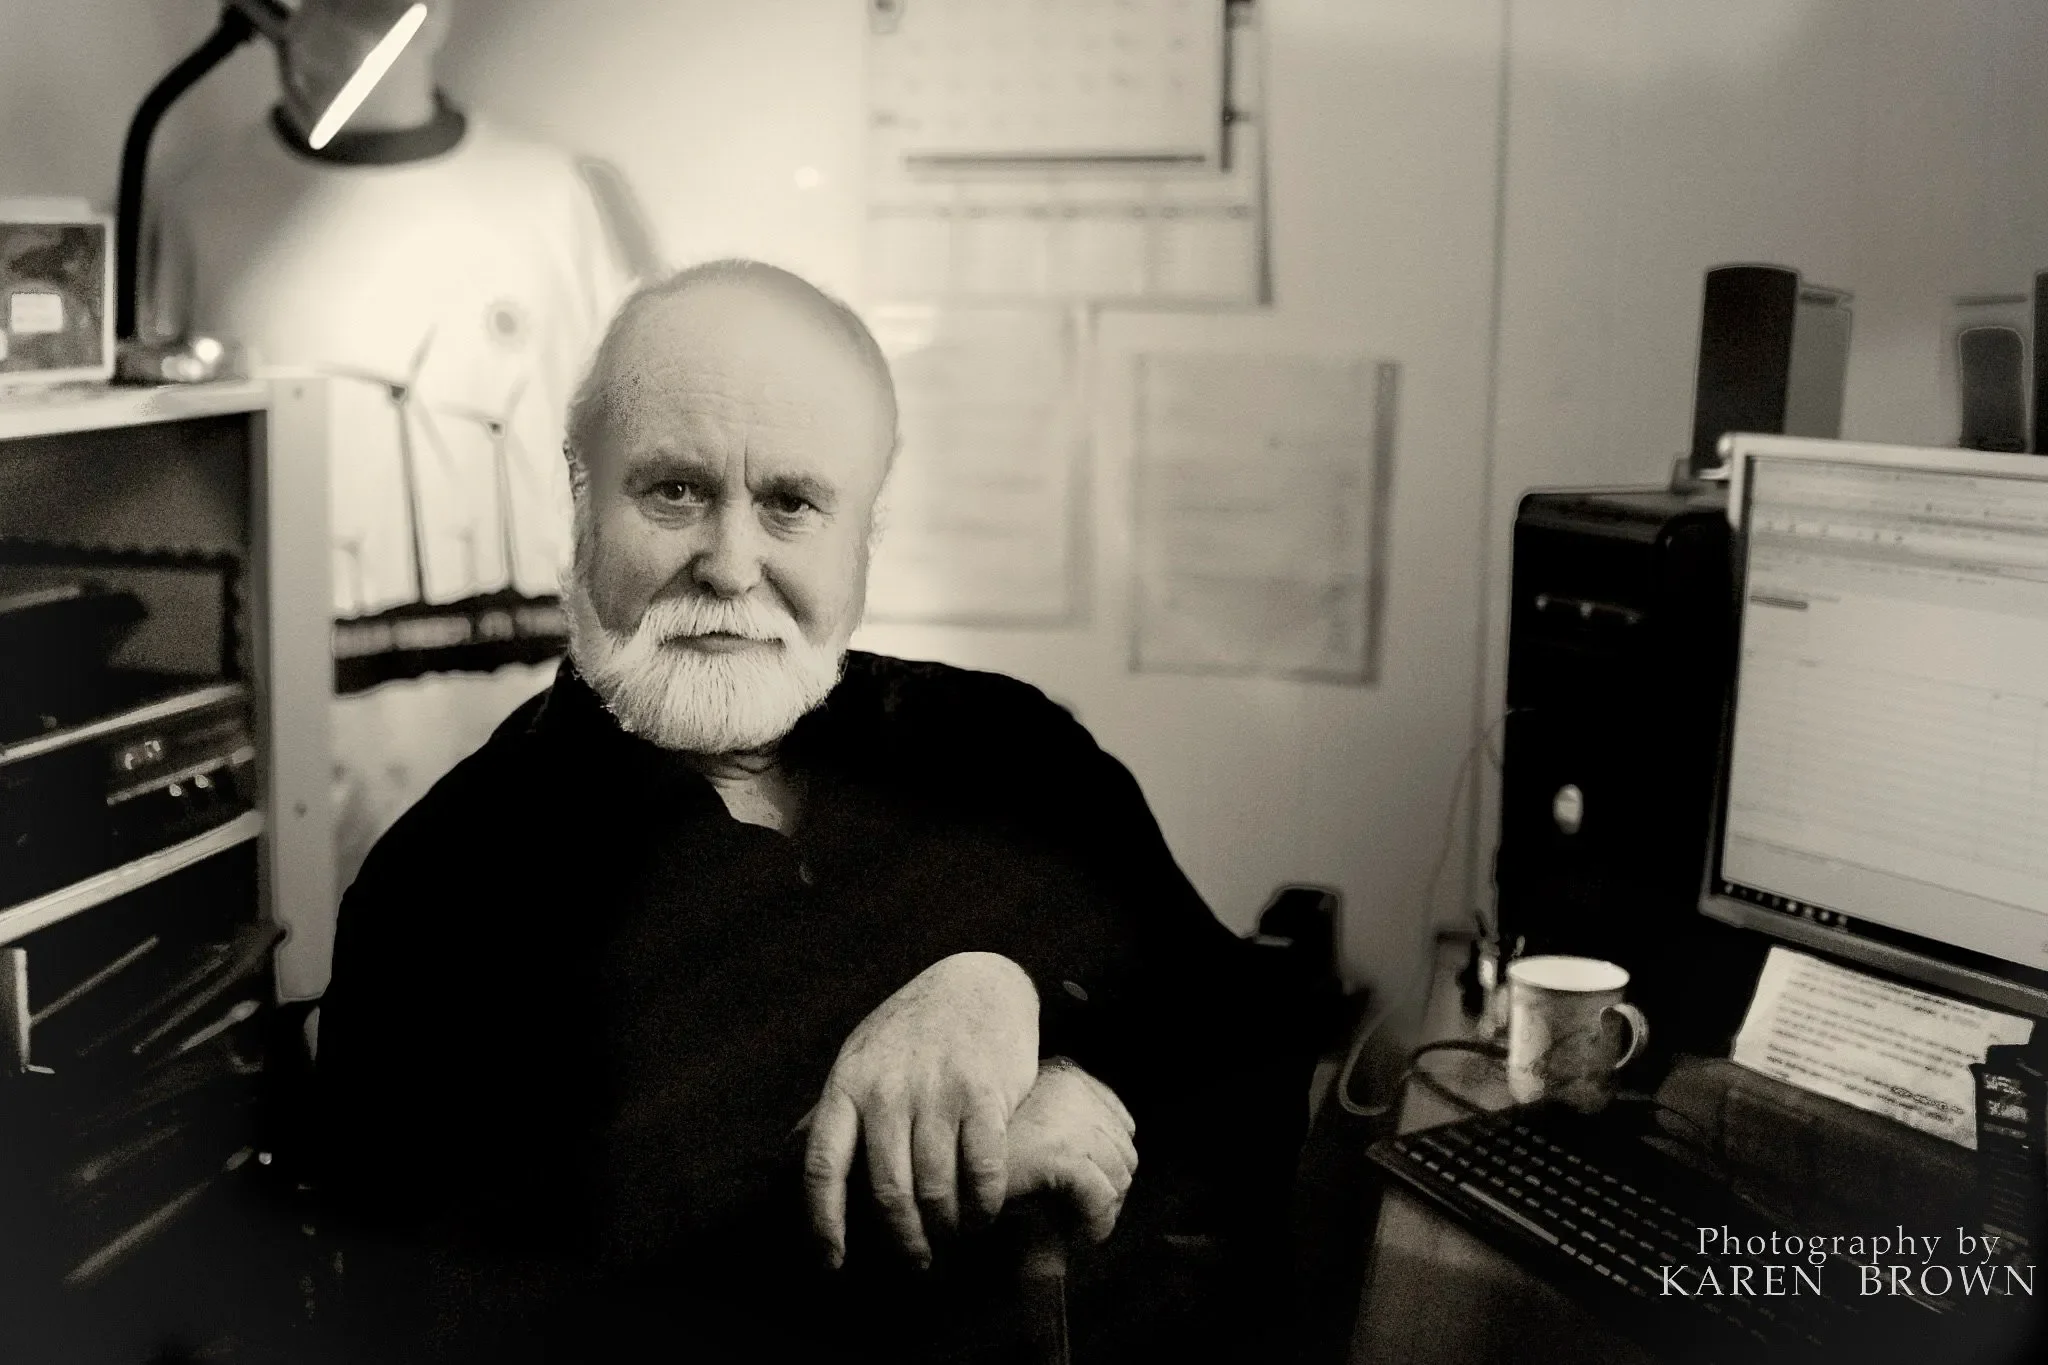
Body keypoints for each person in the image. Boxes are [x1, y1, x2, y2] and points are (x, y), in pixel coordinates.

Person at [314, 260, 1308, 1362]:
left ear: (862, 535)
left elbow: (1251, 1072)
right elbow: (451, 1324)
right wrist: (965, 1172)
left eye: (790, 503)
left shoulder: (1014, 754)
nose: (729, 566)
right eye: (675, 491)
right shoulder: (437, 896)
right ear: (582, 497)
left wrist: (1016, 1000)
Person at [145, 0, 655, 953]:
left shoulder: (552, 201)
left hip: (540, 792)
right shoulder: (201, 208)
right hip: (305, 807)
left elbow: (642, 475)